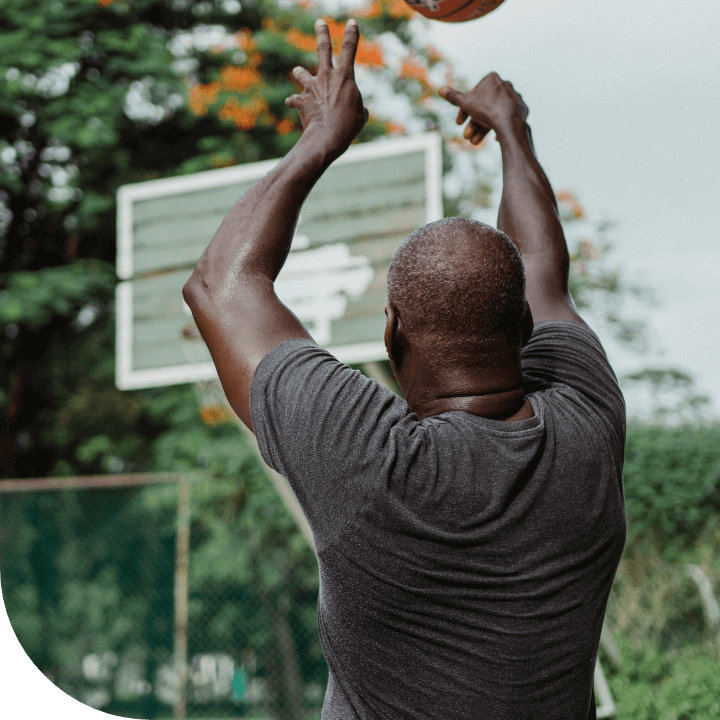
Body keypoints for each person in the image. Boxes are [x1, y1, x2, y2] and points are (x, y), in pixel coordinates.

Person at [182, 18, 627, 720]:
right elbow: (542, 270)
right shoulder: (586, 425)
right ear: (520, 330)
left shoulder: (367, 460)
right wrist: (514, 132)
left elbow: (219, 286)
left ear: (393, 335)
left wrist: (320, 138)